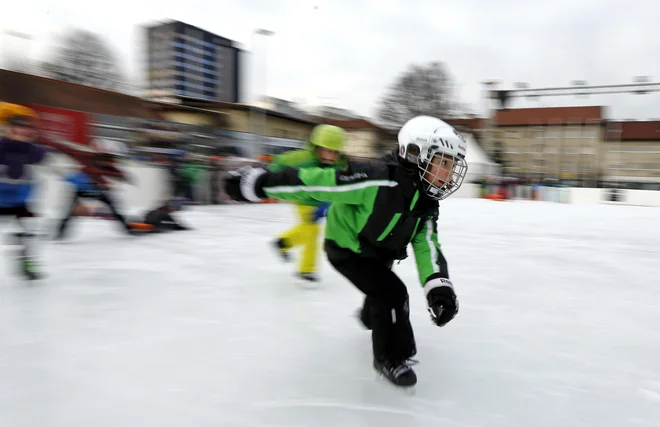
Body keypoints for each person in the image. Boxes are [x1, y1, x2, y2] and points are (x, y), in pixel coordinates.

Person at [224, 116, 468, 387]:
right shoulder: (376, 179)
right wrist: (259, 183)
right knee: (391, 293)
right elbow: (317, 183)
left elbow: (427, 244)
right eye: (443, 162)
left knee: (379, 298)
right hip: (346, 249)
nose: (448, 173)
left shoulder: (426, 200)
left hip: (381, 254)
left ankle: (370, 316)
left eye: (452, 164)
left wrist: (439, 286)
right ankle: (390, 358)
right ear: (415, 154)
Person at [267, 124, 347, 283]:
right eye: (326, 150)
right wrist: (268, 175)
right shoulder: (302, 158)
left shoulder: (341, 165)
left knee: (310, 231)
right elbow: (279, 162)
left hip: (323, 201)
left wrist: (328, 205)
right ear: (316, 146)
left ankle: (284, 243)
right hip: (304, 199)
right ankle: (303, 267)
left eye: (334, 152)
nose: (330, 156)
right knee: (311, 231)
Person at [54, 139, 138, 240]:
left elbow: (116, 172)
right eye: (108, 159)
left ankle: (127, 228)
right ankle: (60, 233)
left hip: (97, 189)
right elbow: (68, 150)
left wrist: (126, 177)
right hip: (82, 189)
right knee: (69, 211)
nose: (110, 162)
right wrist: (52, 143)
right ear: (101, 155)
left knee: (114, 206)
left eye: (112, 160)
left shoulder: (109, 166)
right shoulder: (87, 157)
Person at [0, 103, 48, 280]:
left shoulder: (35, 152)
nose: (20, 132)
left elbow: (60, 168)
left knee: (30, 232)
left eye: (24, 129)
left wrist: (81, 182)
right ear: (6, 129)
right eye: (15, 128)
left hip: (21, 202)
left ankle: (27, 264)